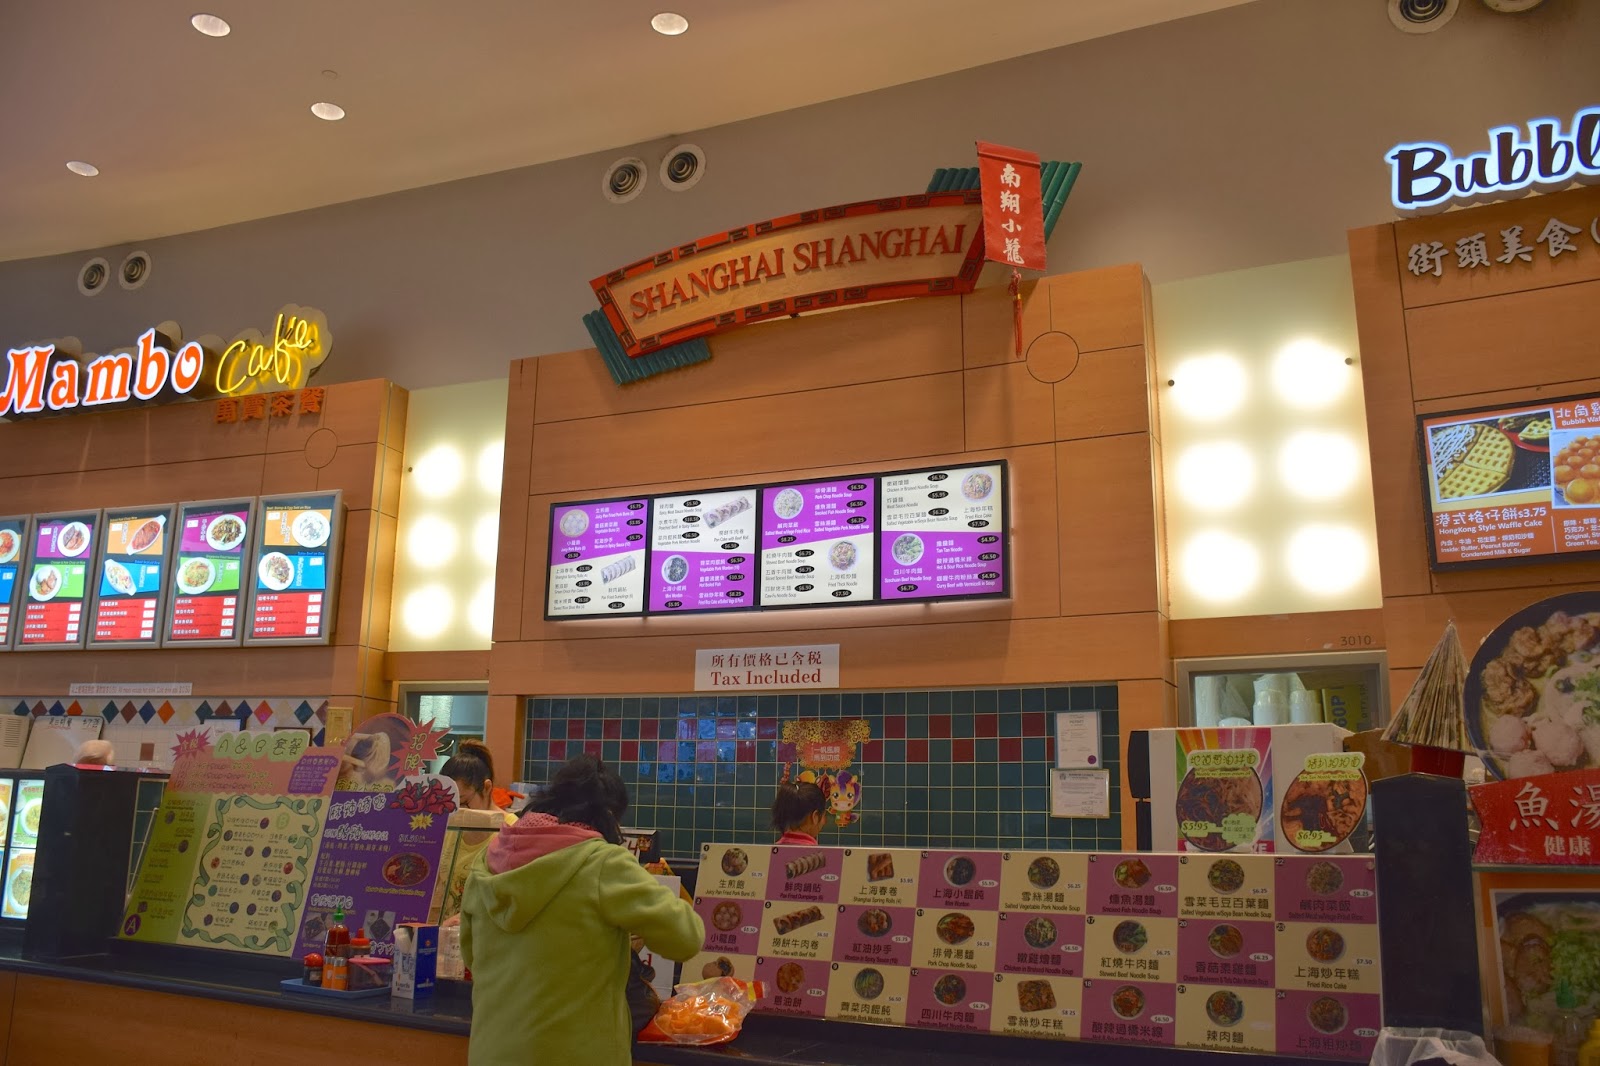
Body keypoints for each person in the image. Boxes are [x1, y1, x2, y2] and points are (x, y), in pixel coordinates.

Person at [461, 754, 703, 1066]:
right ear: (609, 816)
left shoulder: (487, 861)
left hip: (492, 1051)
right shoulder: (601, 863)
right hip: (575, 1053)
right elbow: (686, 937)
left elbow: (471, 956)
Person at [429, 739, 518, 926]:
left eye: (464, 802)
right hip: (449, 934)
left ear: (486, 788)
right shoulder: (450, 827)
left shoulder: (511, 831)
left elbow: (509, 900)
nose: (457, 811)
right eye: (450, 805)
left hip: (484, 934)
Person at [771, 780, 827, 844]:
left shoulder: (775, 848)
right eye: (824, 816)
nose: (825, 822)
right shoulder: (814, 850)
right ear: (815, 817)